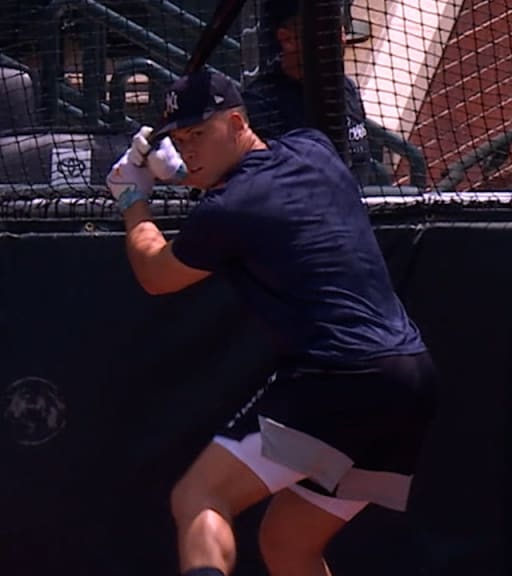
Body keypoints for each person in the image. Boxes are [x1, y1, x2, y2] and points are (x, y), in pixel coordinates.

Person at [105, 70, 438, 576]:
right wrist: (185, 173)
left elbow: (156, 274)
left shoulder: (228, 209)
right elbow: (258, 183)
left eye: (199, 134)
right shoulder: (313, 149)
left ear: (237, 121)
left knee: (200, 497)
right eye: (179, 139)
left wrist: (135, 202)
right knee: (287, 544)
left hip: (338, 376)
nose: (188, 148)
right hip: (409, 380)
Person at [241, 0, 373, 186]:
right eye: (328, 32)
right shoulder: (260, 106)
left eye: (340, 29)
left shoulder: (345, 87)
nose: (341, 40)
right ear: (287, 39)